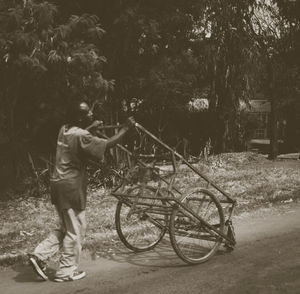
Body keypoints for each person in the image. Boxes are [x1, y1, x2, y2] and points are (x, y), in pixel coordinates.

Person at [28, 101, 135, 282]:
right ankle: (66, 271)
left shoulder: (65, 129)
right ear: (79, 117)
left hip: (58, 184)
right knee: (76, 229)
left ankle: (39, 255)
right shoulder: (81, 135)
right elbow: (106, 144)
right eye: (87, 113)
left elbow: (79, 136)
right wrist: (125, 129)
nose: (91, 114)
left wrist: (90, 127)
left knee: (66, 226)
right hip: (71, 187)